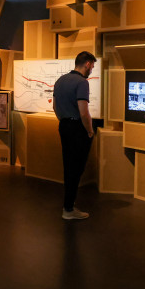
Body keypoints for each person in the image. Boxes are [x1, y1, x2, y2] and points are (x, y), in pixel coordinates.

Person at [52, 51, 96, 220]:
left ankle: (69, 203)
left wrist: (65, 121)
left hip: (64, 126)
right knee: (76, 169)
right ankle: (68, 209)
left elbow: (55, 107)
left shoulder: (60, 80)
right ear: (87, 64)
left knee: (69, 166)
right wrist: (90, 131)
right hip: (78, 129)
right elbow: (84, 113)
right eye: (92, 66)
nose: (92, 69)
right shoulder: (82, 82)